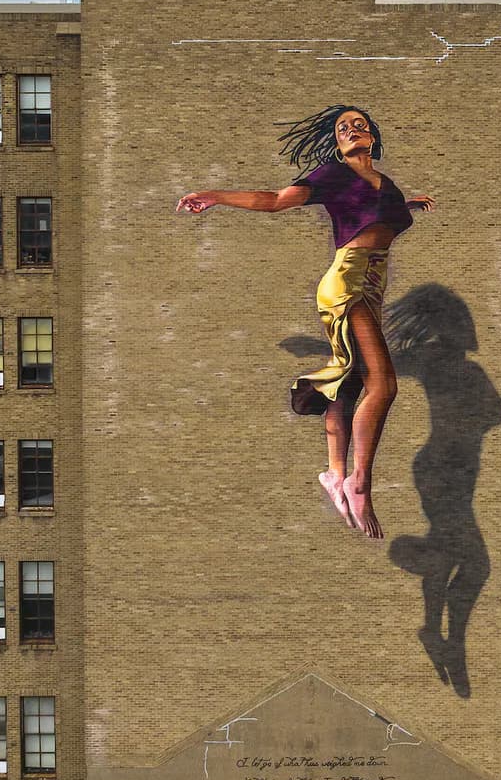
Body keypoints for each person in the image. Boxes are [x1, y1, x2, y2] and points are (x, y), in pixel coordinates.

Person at [177, 105, 434, 539]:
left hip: (373, 286)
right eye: (343, 127)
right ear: (336, 142)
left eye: (359, 125)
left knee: (350, 380)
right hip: (346, 281)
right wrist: (216, 196)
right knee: (383, 385)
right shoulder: (333, 176)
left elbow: (377, 217)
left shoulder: (387, 187)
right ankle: (359, 483)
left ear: (372, 136)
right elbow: (276, 200)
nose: (351, 130)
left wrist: (406, 204)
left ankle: (335, 474)